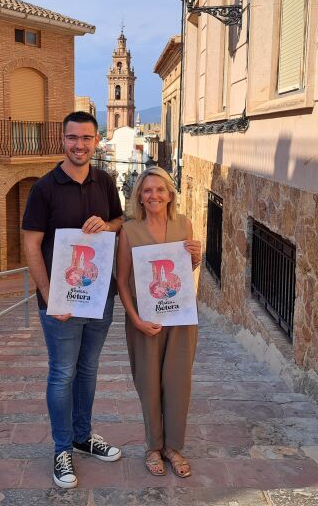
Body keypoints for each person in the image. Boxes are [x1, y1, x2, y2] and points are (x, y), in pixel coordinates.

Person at [22, 111, 124, 489]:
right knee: (62, 373)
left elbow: (119, 222)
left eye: (86, 138)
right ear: (62, 140)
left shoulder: (106, 181)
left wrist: (107, 224)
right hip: (60, 302)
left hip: (99, 297)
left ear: (96, 141)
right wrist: (49, 296)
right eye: (72, 138)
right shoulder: (44, 188)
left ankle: (83, 436)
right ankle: (62, 448)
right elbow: (31, 244)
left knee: (88, 370)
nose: (79, 145)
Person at [115, 166, 202, 478]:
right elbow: (122, 281)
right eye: (147, 190)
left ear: (170, 194)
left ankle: (173, 447)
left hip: (180, 316)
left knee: (178, 382)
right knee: (149, 383)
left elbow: (184, 271)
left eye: (160, 190)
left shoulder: (184, 224)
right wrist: (135, 319)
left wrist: (196, 256)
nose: (154, 195)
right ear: (139, 194)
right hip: (145, 317)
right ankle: (153, 446)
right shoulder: (129, 230)